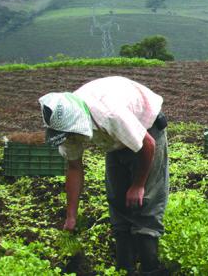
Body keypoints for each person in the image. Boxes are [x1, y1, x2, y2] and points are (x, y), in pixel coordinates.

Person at [39, 76, 168, 275]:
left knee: (145, 202)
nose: (71, 138)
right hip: (114, 140)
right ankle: (124, 268)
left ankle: (150, 268)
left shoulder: (110, 115)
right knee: (117, 198)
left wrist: (138, 185)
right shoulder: (63, 125)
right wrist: (71, 216)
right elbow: (74, 168)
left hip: (146, 128)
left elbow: (148, 145)